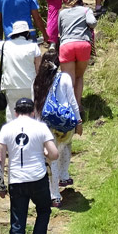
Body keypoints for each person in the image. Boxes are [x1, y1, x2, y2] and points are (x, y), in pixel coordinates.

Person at [0, 98, 59, 234]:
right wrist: (45, 153)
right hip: (37, 177)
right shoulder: (40, 127)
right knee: (44, 209)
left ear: (16, 112)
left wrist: (0, 183)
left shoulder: (7, 128)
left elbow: (0, 159)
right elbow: (54, 154)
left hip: (16, 179)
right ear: (33, 111)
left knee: (18, 222)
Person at [33, 52, 82, 208]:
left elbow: (35, 106)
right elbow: (72, 101)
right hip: (65, 122)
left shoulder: (37, 81)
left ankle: (54, 195)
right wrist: (78, 120)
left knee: (50, 158)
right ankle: (63, 175)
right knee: (66, 145)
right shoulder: (65, 78)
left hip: (46, 125)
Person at [0, 20, 41, 122]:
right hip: (29, 85)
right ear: (27, 33)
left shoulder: (4, 45)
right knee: (31, 112)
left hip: (11, 85)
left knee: (12, 114)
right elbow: (38, 68)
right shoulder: (33, 47)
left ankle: (13, 135)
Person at [58, 0, 97, 107]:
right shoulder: (86, 10)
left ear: (69, 1)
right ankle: (78, 105)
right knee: (79, 76)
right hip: (83, 44)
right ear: (81, 1)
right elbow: (92, 22)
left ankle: (67, 106)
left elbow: (60, 31)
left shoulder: (62, 13)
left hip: (67, 45)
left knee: (68, 78)